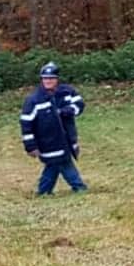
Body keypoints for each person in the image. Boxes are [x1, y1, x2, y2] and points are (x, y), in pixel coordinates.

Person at [20, 62, 87, 196]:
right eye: (45, 78)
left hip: (67, 137)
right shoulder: (34, 100)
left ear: (57, 79)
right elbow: (26, 123)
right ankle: (79, 187)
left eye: (51, 78)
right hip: (47, 141)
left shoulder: (67, 92)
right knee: (63, 161)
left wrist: (67, 111)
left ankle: (44, 191)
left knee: (54, 164)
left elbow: (80, 104)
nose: (48, 81)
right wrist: (30, 146)